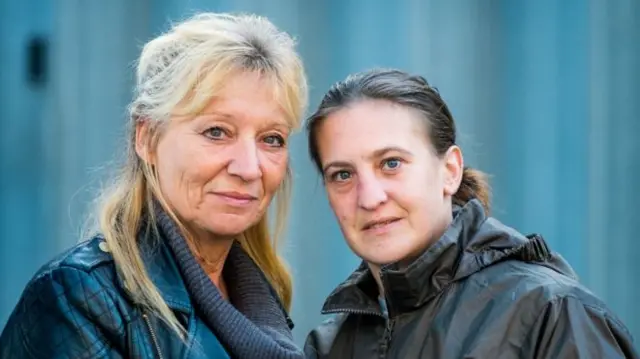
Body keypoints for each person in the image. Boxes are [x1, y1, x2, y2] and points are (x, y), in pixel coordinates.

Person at [0, 12, 308, 359]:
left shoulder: (262, 301)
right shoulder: (79, 299)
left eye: (271, 138)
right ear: (146, 138)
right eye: (217, 132)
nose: (250, 168)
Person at [302, 68, 638, 358]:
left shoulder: (551, 315)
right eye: (342, 175)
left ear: (450, 170)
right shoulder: (331, 346)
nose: (370, 198)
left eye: (392, 164)